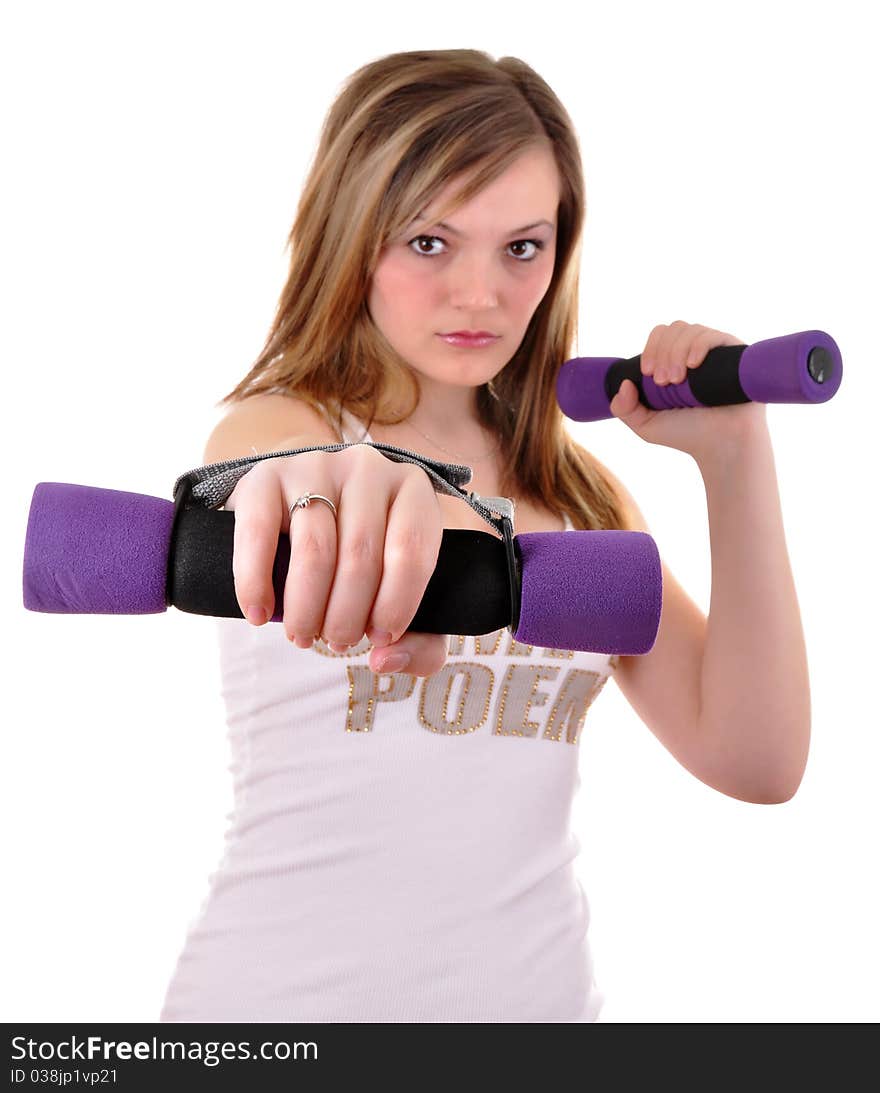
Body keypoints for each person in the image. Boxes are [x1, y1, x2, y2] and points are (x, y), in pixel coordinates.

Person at [159, 49, 810, 1023]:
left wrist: (734, 460)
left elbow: (757, 761)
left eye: (521, 246)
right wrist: (353, 482)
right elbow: (281, 474)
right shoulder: (281, 427)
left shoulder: (584, 502)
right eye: (429, 243)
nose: (483, 294)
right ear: (353, 234)